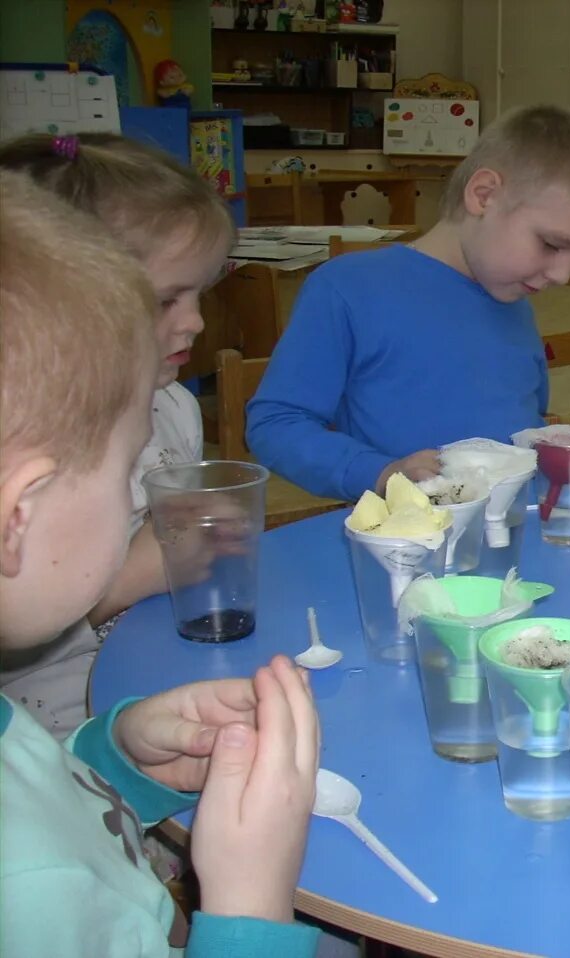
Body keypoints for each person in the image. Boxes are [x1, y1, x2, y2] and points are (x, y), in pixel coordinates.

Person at [0, 171, 320, 956]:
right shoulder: (31, 888)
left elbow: (37, 787)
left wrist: (114, 759)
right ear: (20, 511)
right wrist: (249, 907)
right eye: (121, 475)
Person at [247, 104, 570, 503]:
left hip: (514, 542)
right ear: (484, 196)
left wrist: (546, 446)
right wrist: (381, 472)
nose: (563, 276)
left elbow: (518, 420)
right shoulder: (348, 288)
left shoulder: (515, 299)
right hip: (409, 548)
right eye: (552, 244)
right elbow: (276, 424)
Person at [0, 133, 233, 736]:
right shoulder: (28, 443)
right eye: (165, 300)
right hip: (57, 724)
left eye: (201, 292)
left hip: (160, 684)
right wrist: (124, 583)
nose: (197, 321)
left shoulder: (175, 404)